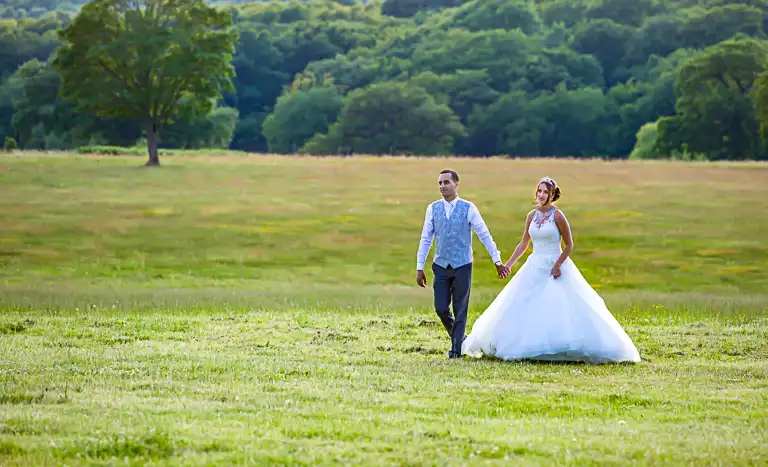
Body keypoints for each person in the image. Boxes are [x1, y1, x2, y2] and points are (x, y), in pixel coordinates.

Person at [462, 177, 641, 363]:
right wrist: (509, 264)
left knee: (559, 303)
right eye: (539, 191)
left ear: (552, 194)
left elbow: (569, 245)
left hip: (555, 265)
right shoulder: (531, 216)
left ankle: (563, 346)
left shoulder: (558, 216)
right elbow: (524, 243)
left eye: (545, 192)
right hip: (534, 264)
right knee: (523, 303)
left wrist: (557, 265)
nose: (541, 195)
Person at [416, 169, 509, 359]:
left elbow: (484, 234)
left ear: (456, 184)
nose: (442, 186)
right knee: (441, 308)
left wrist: (497, 260)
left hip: (462, 265)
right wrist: (420, 267)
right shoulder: (432, 209)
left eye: (446, 182)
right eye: (440, 183)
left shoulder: (469, 208)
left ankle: (456, 349)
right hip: (441, 265)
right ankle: (461, 339)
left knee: (460, 308)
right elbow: (426, 238)